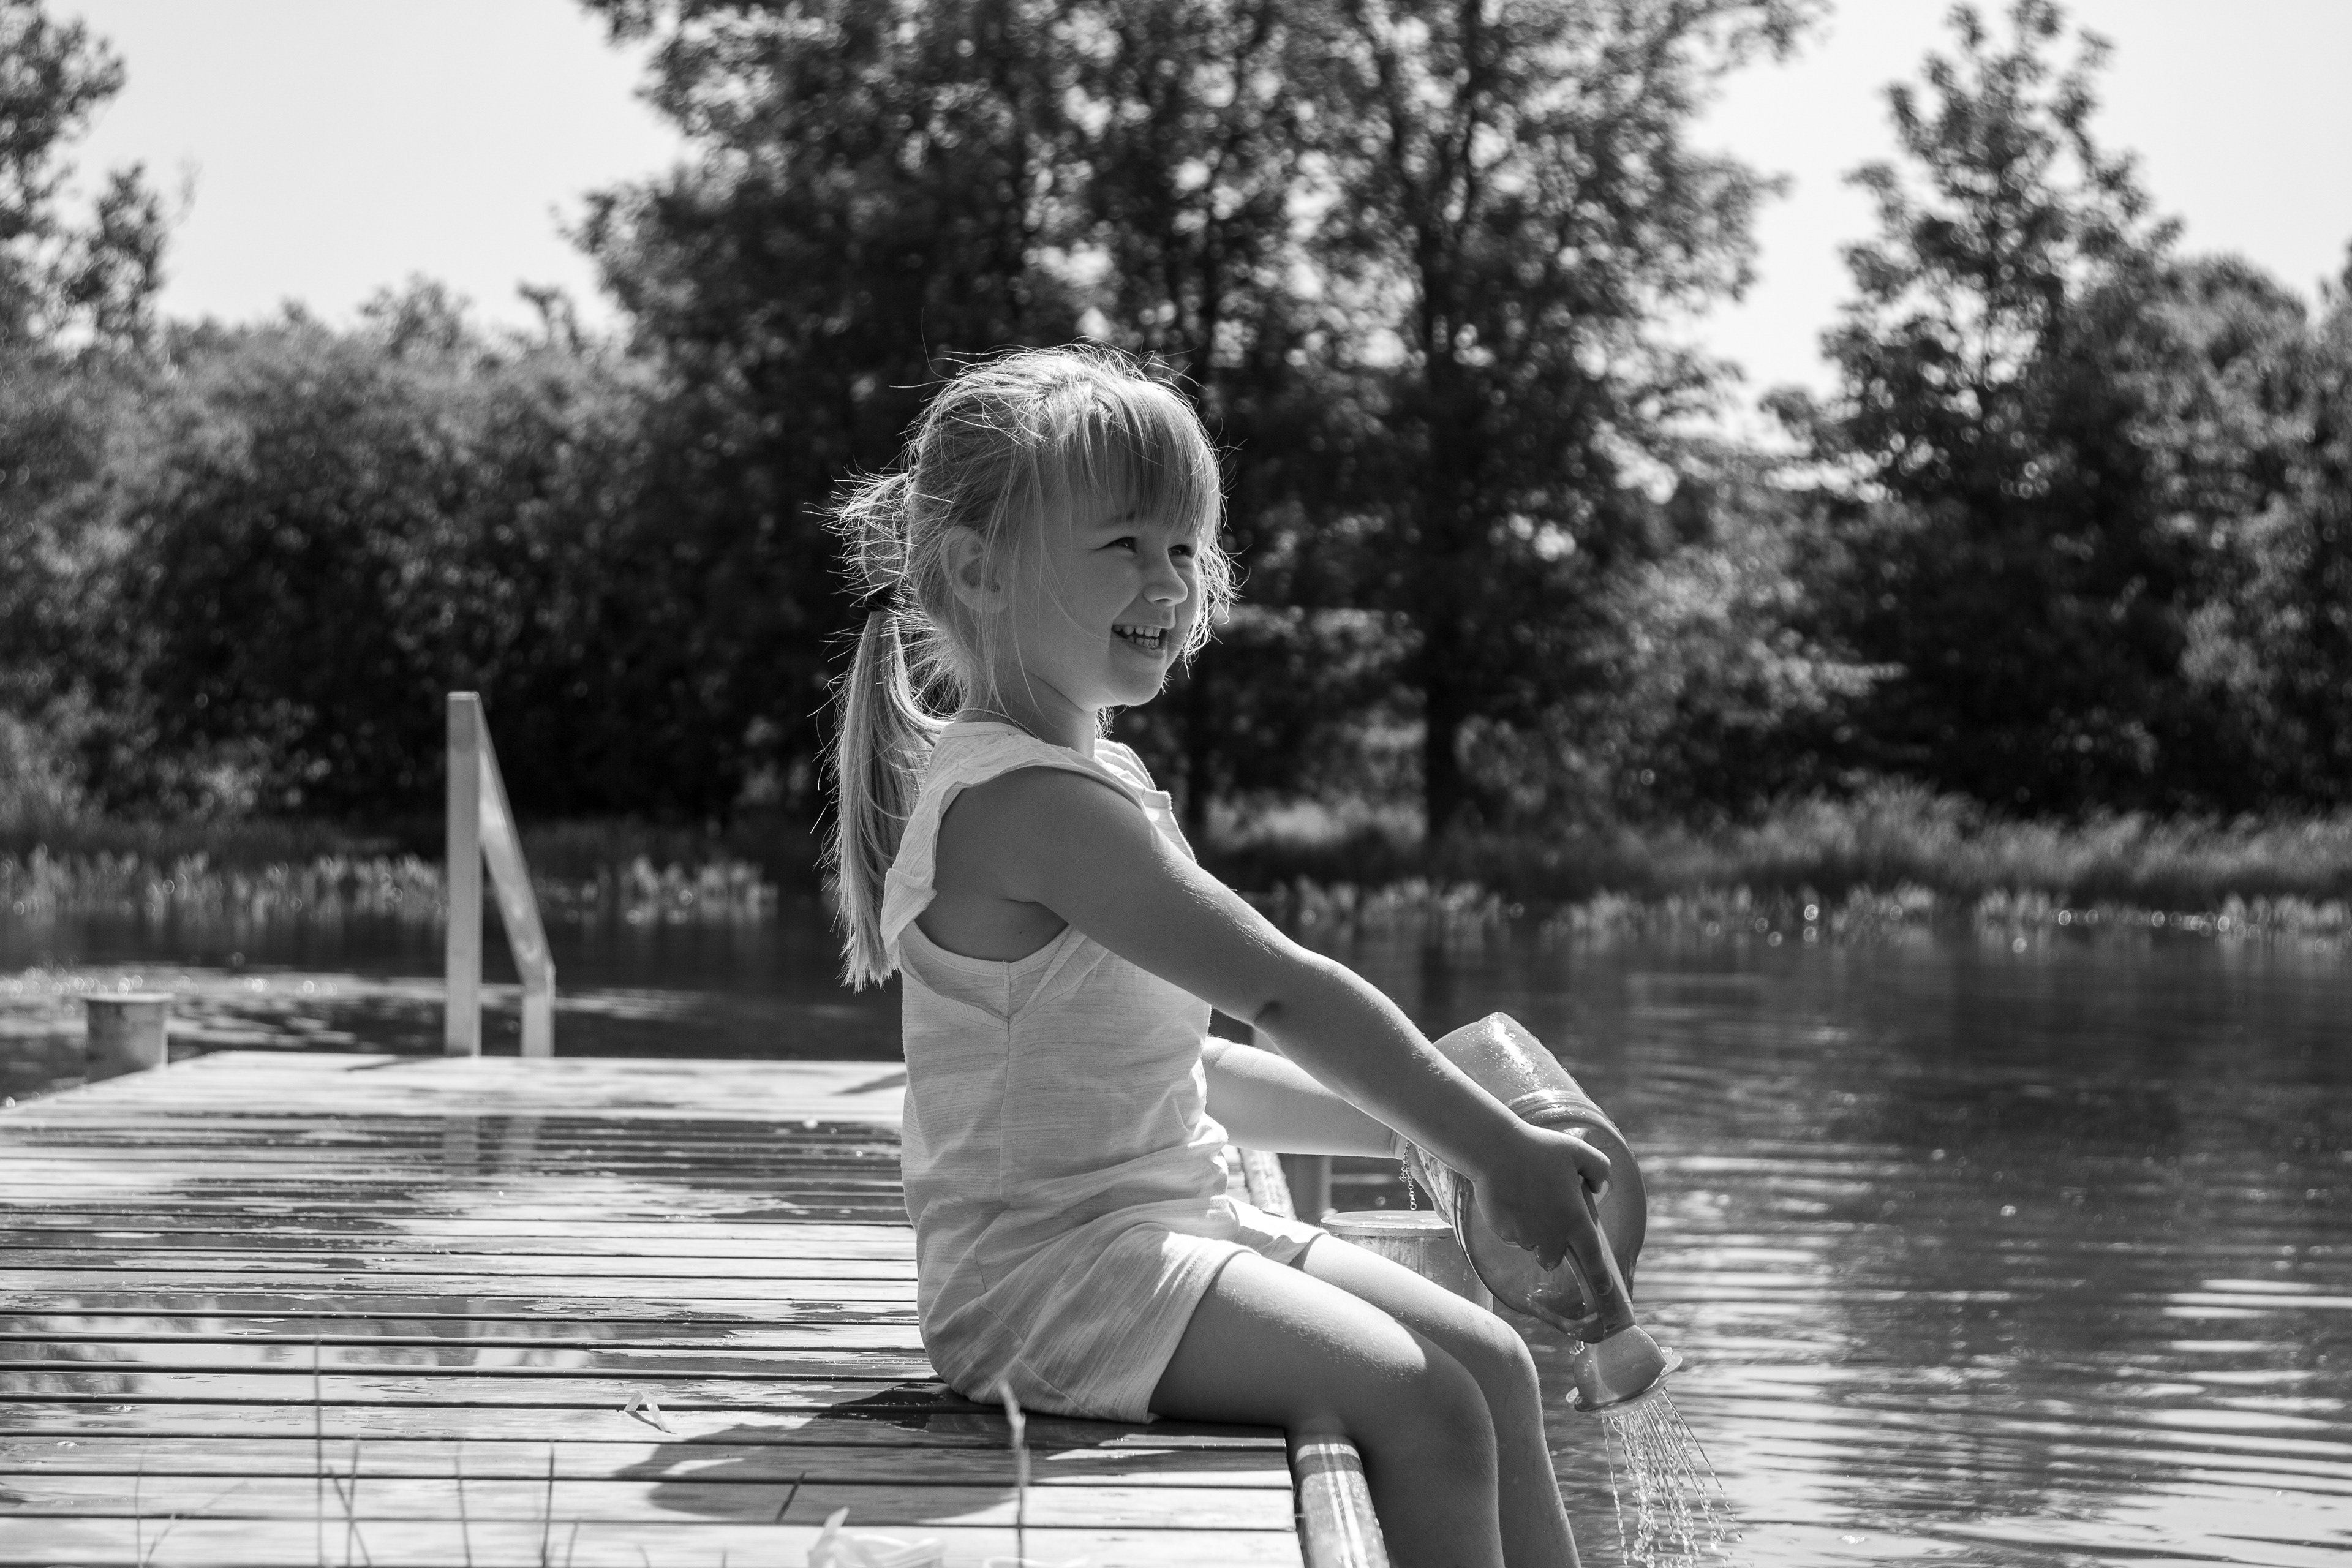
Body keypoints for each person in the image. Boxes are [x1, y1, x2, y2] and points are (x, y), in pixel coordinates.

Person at [826, 344, 1610, 1567]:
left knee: (1492, 1362)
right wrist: (1493, 1147)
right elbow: (1279, 988)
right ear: (978, 571)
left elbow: (1177, 1067)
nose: (1170, 576)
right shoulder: (1032, 803)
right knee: (1431, 1405)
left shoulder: (1099, 780)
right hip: (1046, 1279)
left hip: (1168, 1220)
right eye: (1125, 541)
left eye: (1186, 544)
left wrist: (1432, 1143)